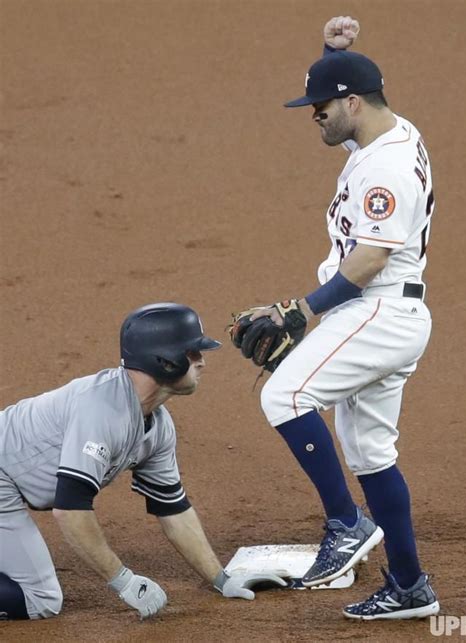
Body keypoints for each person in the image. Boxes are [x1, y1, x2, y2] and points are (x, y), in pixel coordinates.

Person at [241, 16, 440, 619]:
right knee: (371, 454)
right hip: (389, 312)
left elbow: (370, 257)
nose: (315, 115)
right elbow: (348, 98)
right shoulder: (384, 130)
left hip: (377, 310)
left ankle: (346, 525)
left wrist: (301, 311)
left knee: (285, 396)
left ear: (353, 103)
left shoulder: (385, 167)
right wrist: (331, 55)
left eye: (322, 105)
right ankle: (409, 586)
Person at [0, 302, 285, 620]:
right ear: (164, 361)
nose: (202, 363)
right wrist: (124, 580)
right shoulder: (102, 411)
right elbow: (70, 510)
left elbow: (172, 508)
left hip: (8, 485)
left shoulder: (157, 426)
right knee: (40, 600)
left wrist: (222, 579)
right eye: (193, 354)